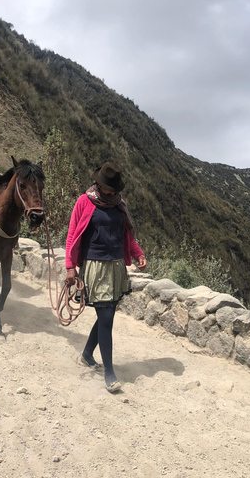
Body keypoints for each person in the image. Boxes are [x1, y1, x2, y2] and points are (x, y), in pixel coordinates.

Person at [64, 161, 147, 393]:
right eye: (109, 189)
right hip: (95, 266)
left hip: (116, 267)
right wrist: (70, 267)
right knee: (107, 317)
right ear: (100, 185)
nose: (113, 193)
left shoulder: (119, 204)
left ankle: (88, 353)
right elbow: (72, 235)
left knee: (106, 315)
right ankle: (109, 372)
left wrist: (137, 252)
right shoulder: (84, 201)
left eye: (115, 189)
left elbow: (126, 234)